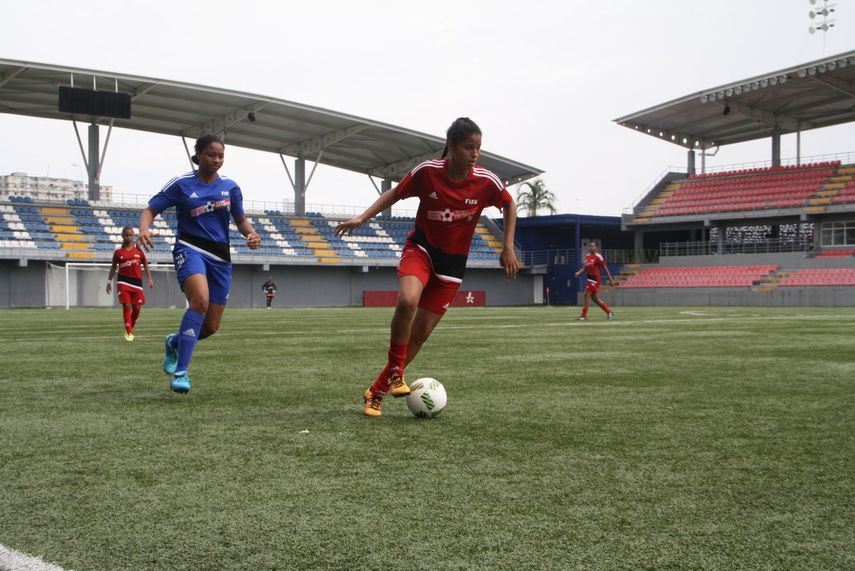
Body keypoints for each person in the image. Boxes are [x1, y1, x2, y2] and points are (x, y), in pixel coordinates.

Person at [335, 117, 519, 417]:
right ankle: (396, 370)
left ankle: (376, 392)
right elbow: (395, 193)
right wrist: (362, 218)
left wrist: (507, 246)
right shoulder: (428, 172)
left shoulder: (486, 181)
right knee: (408, 300)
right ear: (452, 146)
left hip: (453, 266)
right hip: (421, 249)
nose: (475, 154)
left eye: (478, 148)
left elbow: (509, 204)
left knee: (419, 334)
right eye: (468, 147)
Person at [138, 134, 261, 394]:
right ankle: (181, 372)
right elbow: (150, 210)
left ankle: (174, 342)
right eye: (211, 154)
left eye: (220, 156)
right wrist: (144, 230)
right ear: (198, 156)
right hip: (190, 248)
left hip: (220, 257)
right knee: (200, 302)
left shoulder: (231, 187)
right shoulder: (182, 184)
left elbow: (240, 219)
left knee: (212, 326)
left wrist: (250, 233)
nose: (216, 160)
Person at [106, 226, 154, 341]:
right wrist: (108, 281)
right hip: (123, 281)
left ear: (133, 236)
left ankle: (130, 325)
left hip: (137, 282)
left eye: (131, 235)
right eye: (126, 235)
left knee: (137, 308)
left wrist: (150, 278)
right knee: (127, 305)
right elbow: (113, 267)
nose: (129, 237)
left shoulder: (138, 250)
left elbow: (145, 264)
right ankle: (128, 332)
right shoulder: (118, 252)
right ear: (122, 236)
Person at [574, 240, 614, 321]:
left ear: (596, 247)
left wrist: (610, 280)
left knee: (586, 294)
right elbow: (585, 267)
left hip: (595, 279)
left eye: (593, 246)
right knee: (594, 298)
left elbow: (605, 268)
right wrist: (579, 272)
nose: (591, 247)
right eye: (590, 246)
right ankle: (609, 311)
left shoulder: (598, 257)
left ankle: (583, 315)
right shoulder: (587, 256)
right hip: (589, 278)